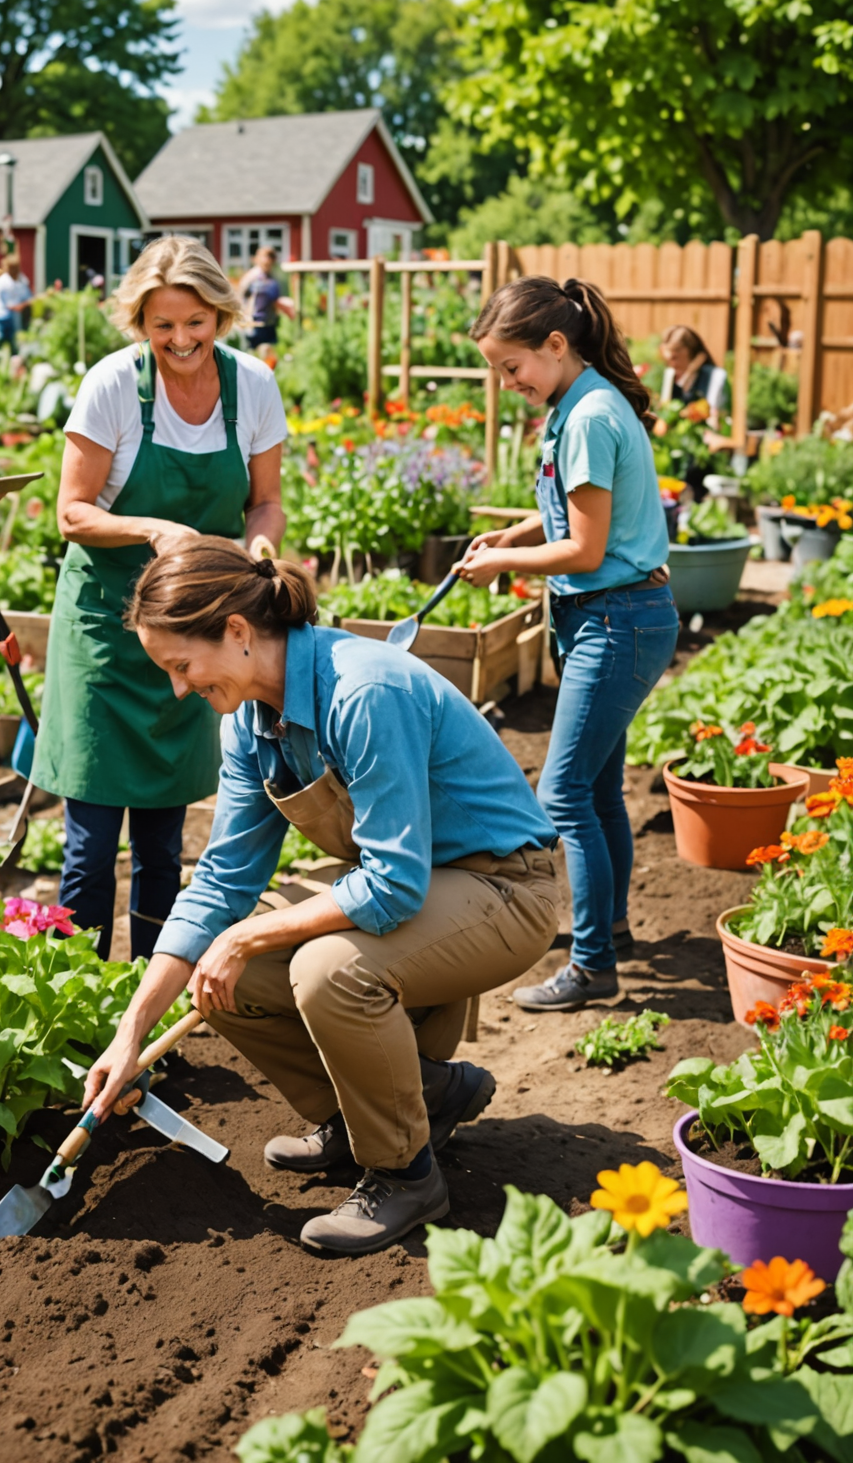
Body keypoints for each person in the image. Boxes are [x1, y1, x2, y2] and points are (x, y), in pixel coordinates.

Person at [81, 542, 559, 1255]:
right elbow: (220, 882)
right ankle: (401, 1102)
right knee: (223, 980)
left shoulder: (362, 691)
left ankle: (404, 1173)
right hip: (428, 890)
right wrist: (131, 1036)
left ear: (237, 633)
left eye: (182, 666)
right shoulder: (247, 722)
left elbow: (394, 882)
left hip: (506, 888)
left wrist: (245, 937)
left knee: (329, 971)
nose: (179, 687)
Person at [31, 235, 286, 960]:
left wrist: (260, 550)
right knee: (87, 846)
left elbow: (265, 504)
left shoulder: (252, 387)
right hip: (107, 637)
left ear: (221, 316)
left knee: (162, 846)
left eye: (195, 323)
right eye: (161, 324)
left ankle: (145, 996)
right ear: (139, 321)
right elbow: (72, 512)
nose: (179, 340)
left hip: (195, 641)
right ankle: (76, 1003)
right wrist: (153, 530)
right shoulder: (113, 384)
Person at [456, 276, 679, 1012]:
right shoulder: (580, 403)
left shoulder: (587, 416)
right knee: (598, 790)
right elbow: (580, 509)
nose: (507, 381)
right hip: (615, 617)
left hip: (615, 619)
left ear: (556, 345)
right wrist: (517, 531)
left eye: (511, 366)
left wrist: (500, 563)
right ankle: (608, 933)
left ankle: (589, 966)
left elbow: (585, 551)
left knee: (562, 794)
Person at [660, 324, 732, 441]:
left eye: (675, 357)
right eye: (668, 358)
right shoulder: (671, 375)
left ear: (690, 352)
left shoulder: (715, 377)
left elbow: (714, 420)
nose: (671, 362)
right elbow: (664, 412)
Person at [237, 245, 284, 356]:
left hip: (269, 323)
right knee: (253, 356)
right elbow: (240, 297)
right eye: (264, 258)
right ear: (257, 259)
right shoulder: (252, 278)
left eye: (270, 259)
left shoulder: (273, 278)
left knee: (269, 357)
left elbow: (276, 301)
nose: (267, 262)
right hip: (254, 323)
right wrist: (243, 317)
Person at [0, 252, 33, 352]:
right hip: (5, 316)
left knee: (7, 343)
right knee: (7, 343)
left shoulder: (21, 280)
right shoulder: (3, 282)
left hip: (4, 315)